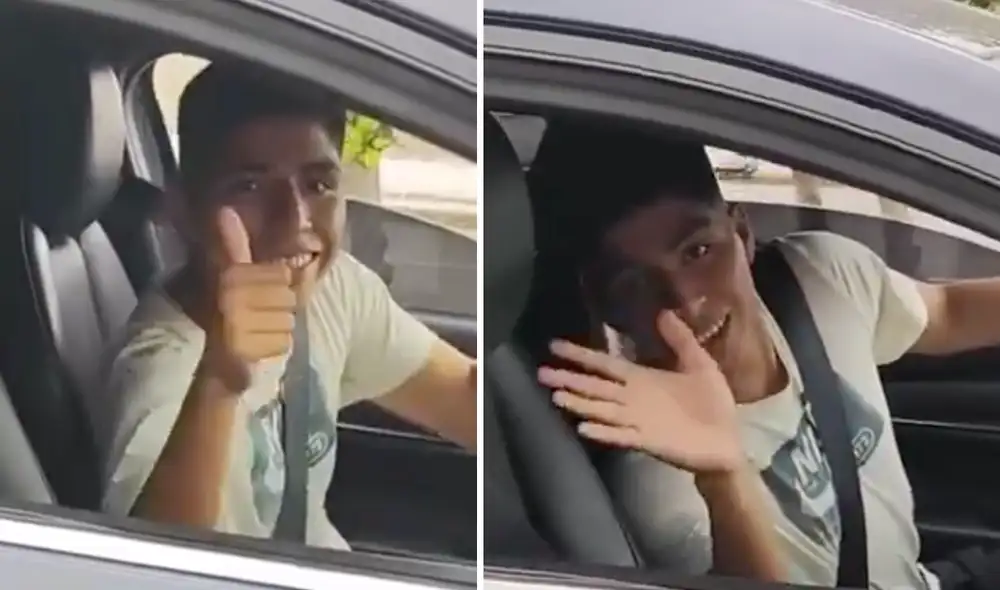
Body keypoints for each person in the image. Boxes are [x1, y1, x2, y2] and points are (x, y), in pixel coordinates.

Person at [528, 117, 1000, 589]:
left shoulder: (821, 280)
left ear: (742, 233)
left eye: (699, 251)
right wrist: (723, 476)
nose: (686, 300)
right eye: (635, 285)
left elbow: (948, 311)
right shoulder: (655, 473)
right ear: (606, 304)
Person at [100, 63, 476, 549]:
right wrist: (217, 383)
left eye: (318, 185)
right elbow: (150, 572)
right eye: (250, 186)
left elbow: (468, 402)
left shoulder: (333, 287)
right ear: (183, 211)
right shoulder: (161, 371)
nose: (295, 219)